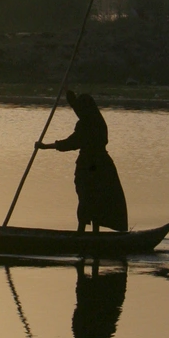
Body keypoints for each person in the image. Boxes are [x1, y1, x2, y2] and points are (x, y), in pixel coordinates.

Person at [36, 90, 128, 232]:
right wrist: (71, 99)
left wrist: (45, 146)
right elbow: (78, 111)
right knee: (94, 198)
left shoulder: (87, 125)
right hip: (102, 165)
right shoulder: (98, 122)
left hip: (90, 167)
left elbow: (71, 143)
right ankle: (93, 233)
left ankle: (82, 233)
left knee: (87, 198)